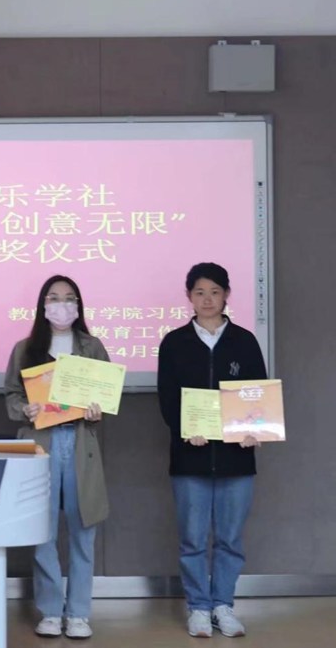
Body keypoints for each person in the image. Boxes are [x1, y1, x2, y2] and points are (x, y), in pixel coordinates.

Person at [158, 263, 267, 639]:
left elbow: (258, 395)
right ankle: (198, 607)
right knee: (192, 539)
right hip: (190, 457)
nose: (207, 299)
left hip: (237, 458)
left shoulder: (244, 341)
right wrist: (186, 429)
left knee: (230, 539)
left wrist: (255, 429)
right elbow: (168, 398)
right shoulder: (174, 342)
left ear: (227, 295)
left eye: (215, 292)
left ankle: (223, 605)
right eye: (200, 292)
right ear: (189, 296)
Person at [3, 275, 108, 640]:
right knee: (42, 530)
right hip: (42, 441)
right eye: (53, 298)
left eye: (68, 298)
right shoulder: (26, 348)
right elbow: (11, 395)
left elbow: (106, 395)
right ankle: (50, 610)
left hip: (79, 442)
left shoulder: (92, 346)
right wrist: (25, 409)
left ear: (78, 305)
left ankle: (78, 612)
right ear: (42, 305)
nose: (61, 305)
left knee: (83, 530)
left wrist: (97, 410)